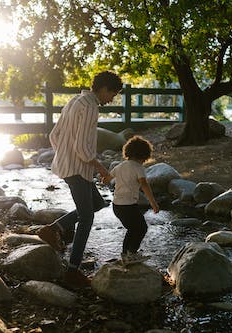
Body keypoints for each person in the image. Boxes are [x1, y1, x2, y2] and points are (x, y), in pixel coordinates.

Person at [37, 70, 123, 288]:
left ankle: (53, 229)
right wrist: (102, 169)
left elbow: (53, 136)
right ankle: (73, 271)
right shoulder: (90, 106)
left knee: (97, 203)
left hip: (68, 166)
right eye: (112, 94)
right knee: (86, 218)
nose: (111, 99)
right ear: (103, 89)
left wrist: (63, 155)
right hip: (77, 169)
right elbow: (82, 149)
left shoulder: (75, 100)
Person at [103, 135, 159, 264]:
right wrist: (153, 203)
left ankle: (125, 254)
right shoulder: (138, 168)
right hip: (128, 206)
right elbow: (144, 185)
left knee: (132, 229)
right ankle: (131, 254)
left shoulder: (120, 166)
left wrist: (104, 179)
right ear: (144, 155)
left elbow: (107, 179)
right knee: (141, 228)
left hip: (117, 206)